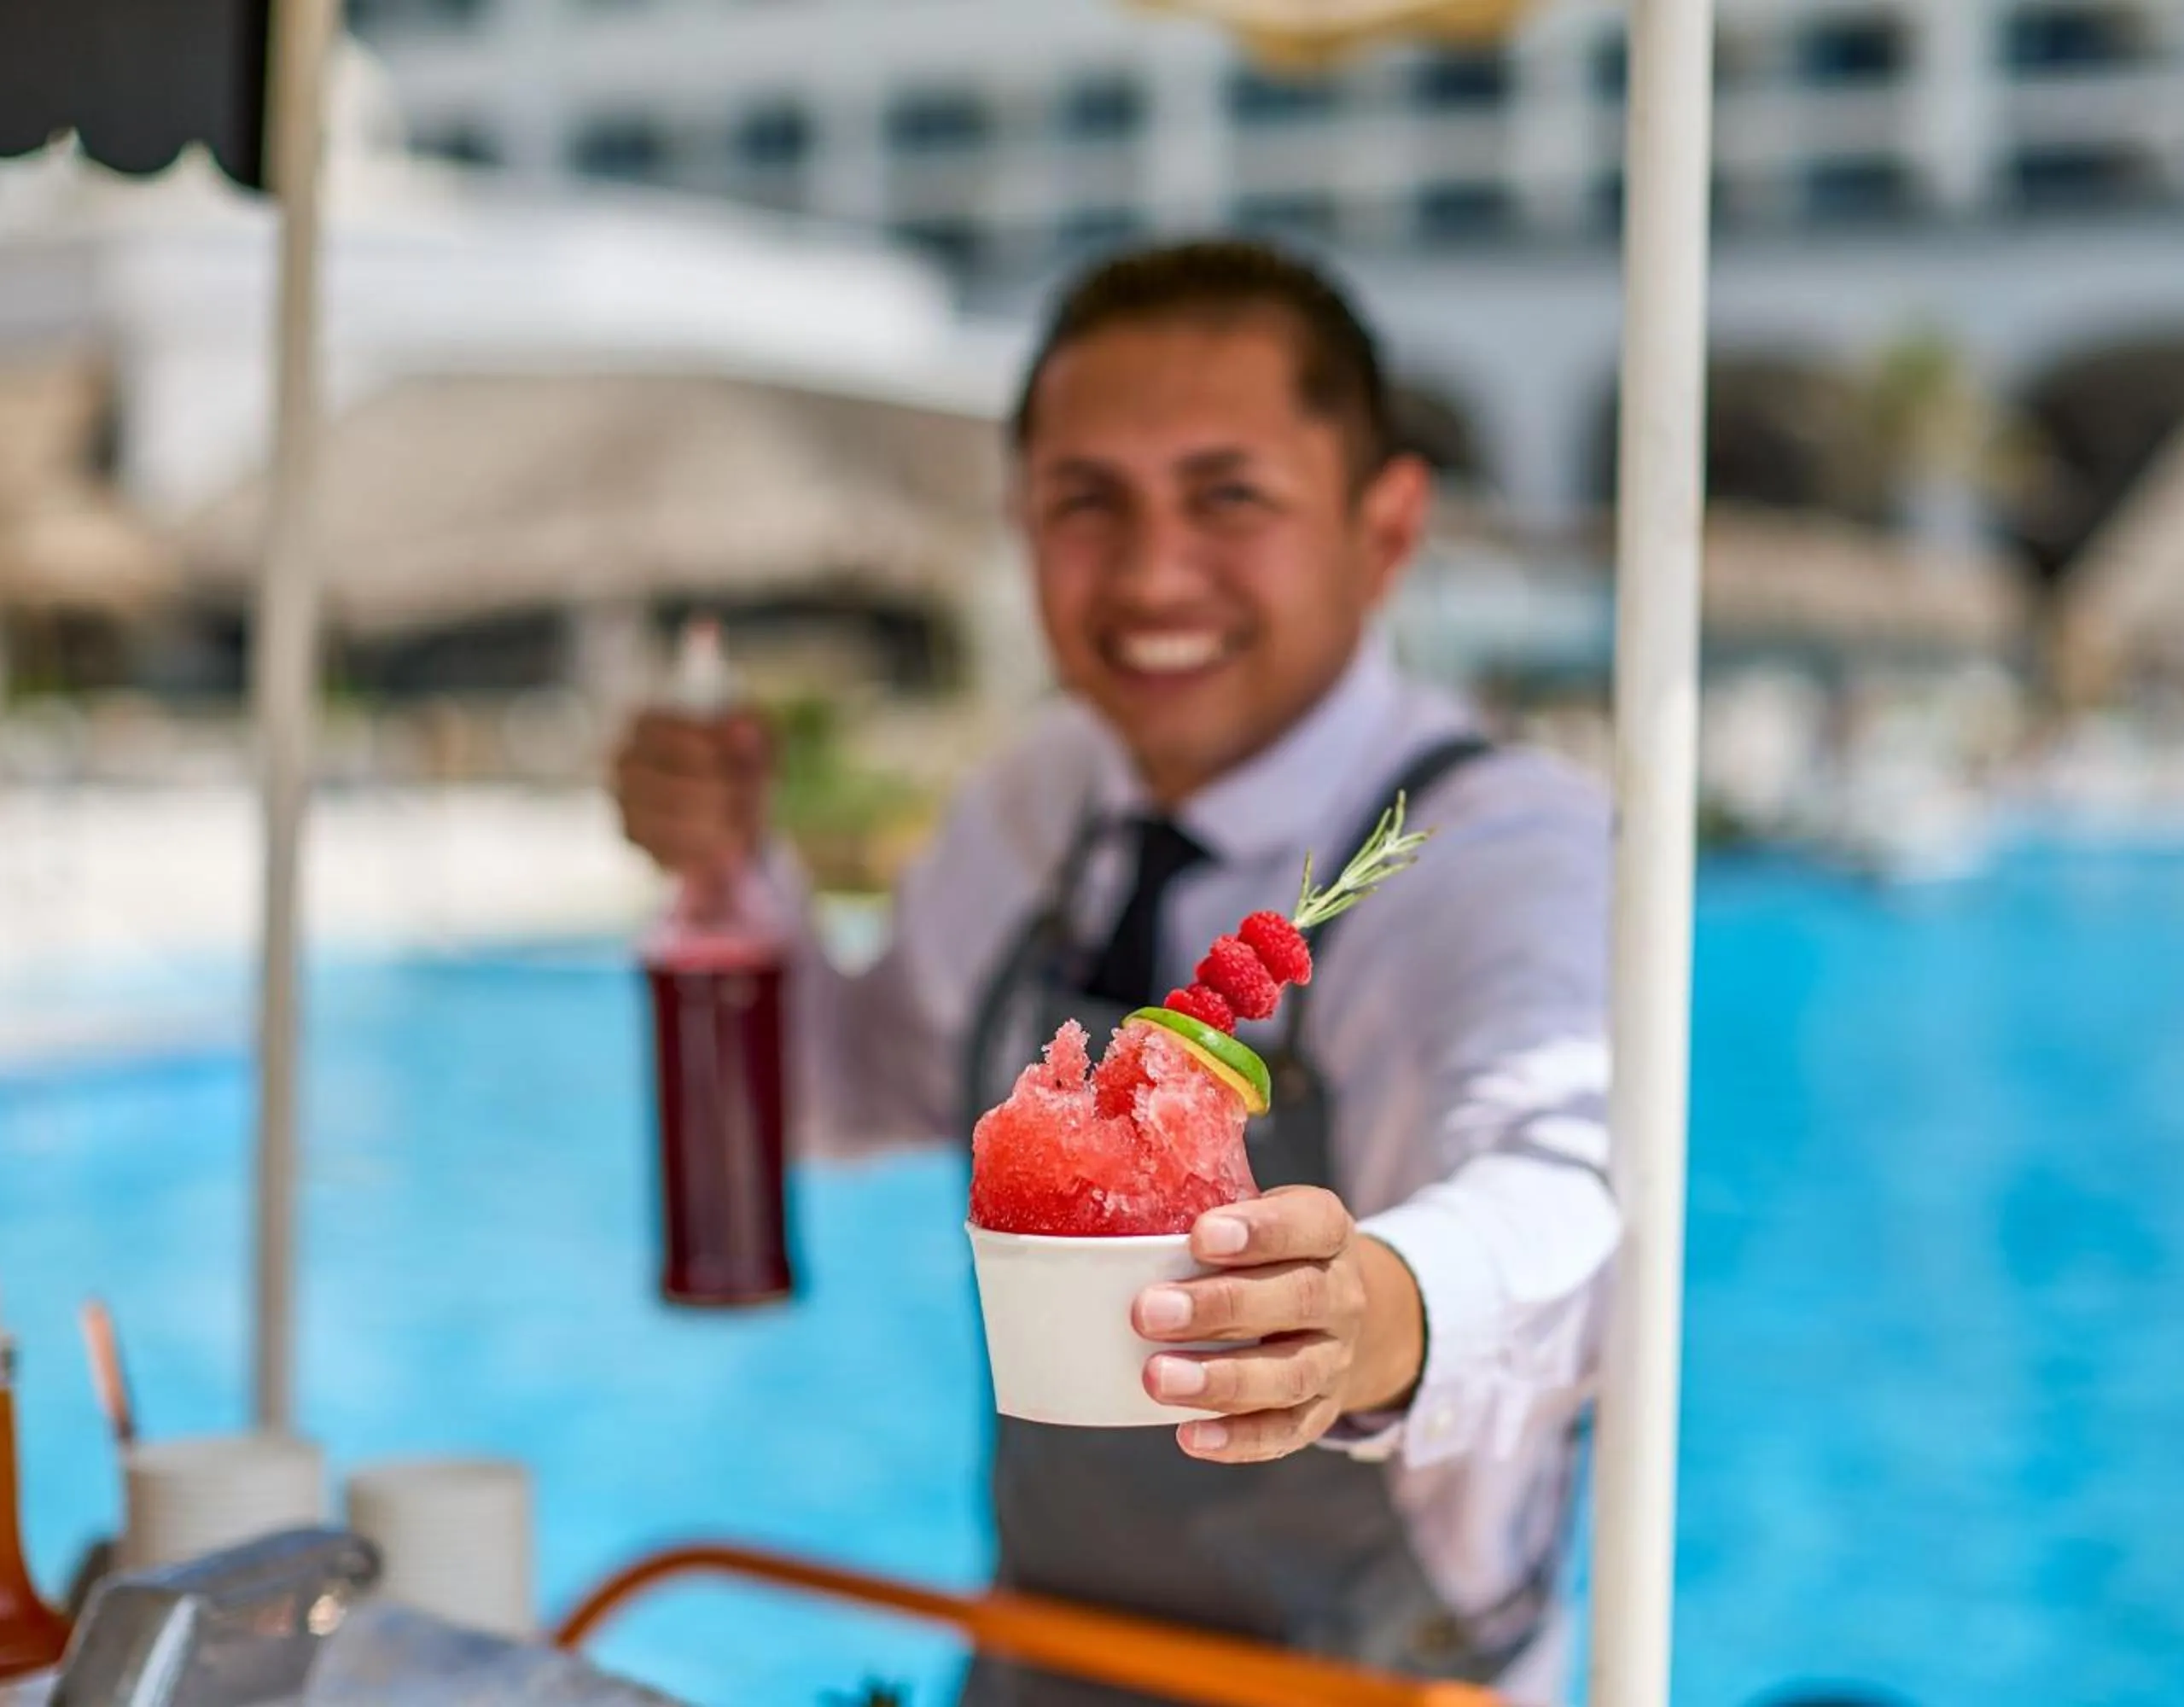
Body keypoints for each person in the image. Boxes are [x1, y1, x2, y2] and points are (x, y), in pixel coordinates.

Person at [612, 239, 1618, 1706]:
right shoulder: (1047, 793)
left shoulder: (1492, 843)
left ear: (1385, 531)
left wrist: (1369, 1316)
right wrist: (732, 871)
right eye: (1088, 504)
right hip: (1043, 1665)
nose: (1151, 574)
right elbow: (856, 1094)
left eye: (1229, 498)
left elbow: (1565, 1202)